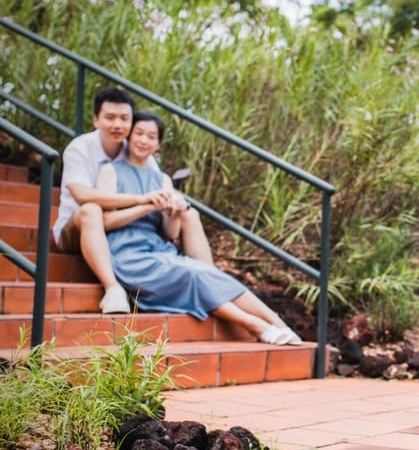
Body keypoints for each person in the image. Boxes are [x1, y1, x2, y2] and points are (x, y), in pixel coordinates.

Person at [95, 111, 301, 345]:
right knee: (192, 275)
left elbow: (170, 234)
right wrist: (146, 204)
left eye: (151, 136)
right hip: (127, 254)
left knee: (206, 271)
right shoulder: (110, 171)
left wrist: (174, 212)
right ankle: (255, 325)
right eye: (139, 134)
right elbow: (106, 222)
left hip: (159, 249)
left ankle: (278, 323)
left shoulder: (162, 179)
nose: (144, 141)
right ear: (129, 137)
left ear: (158, 144)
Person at [53, 88, 213, 314]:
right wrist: (141, 199)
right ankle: (113, 289)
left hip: (121, 232)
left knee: (189, 212)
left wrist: (175, 201)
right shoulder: (80, 148)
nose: (117, 125)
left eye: (124, 119)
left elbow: (159, 187)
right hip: (78, 229)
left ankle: (212, 280)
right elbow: (82, 195)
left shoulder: (136, 150)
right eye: (110, 117)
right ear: (96, 120)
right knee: (91, 210)